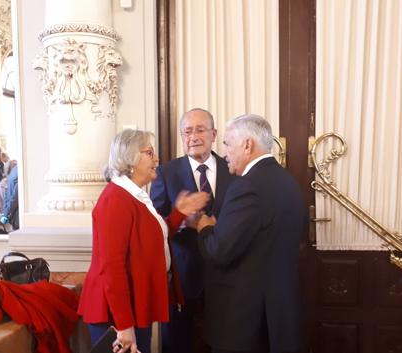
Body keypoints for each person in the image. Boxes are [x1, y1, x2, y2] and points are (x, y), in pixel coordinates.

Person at [78, 129, 210, 353]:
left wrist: (178, 213)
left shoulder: (134, 195)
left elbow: (150, 238)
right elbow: (112, 267)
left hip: (134, 307)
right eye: (149, 153)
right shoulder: (115, 199)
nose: (156, 158)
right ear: (129, 159)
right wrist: (124, 325)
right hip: (116, 314)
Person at [194, 114, 305, 353]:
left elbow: (220, 250)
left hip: (247, 321)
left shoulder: (247, 186)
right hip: (280, 313)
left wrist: (205, 227)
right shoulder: (288, 182)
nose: (224, 153)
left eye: (227, 144)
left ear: (247, 145)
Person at [150, 108, 235, 353]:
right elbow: (155, 226)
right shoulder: (166, 173)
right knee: (178, 343)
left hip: (224, 273)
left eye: (200, 130)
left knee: (223, 341)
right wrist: (178, 217)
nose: (193, 137)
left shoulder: (232, 167)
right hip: (181, 276)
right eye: (187, 132)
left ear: (214, 134)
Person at [0, 159, 17, 233]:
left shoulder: (15, 182)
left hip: (12, 216)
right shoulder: (2, 185)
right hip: (7, 217)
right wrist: (4, 219)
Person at [2, 163, 19, 230]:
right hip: (17, 213)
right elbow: (14, 197)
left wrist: (6, 211)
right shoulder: (20, 172)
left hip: (12, 213)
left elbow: (7, 194)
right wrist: (7, 211)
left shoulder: (13, 172)